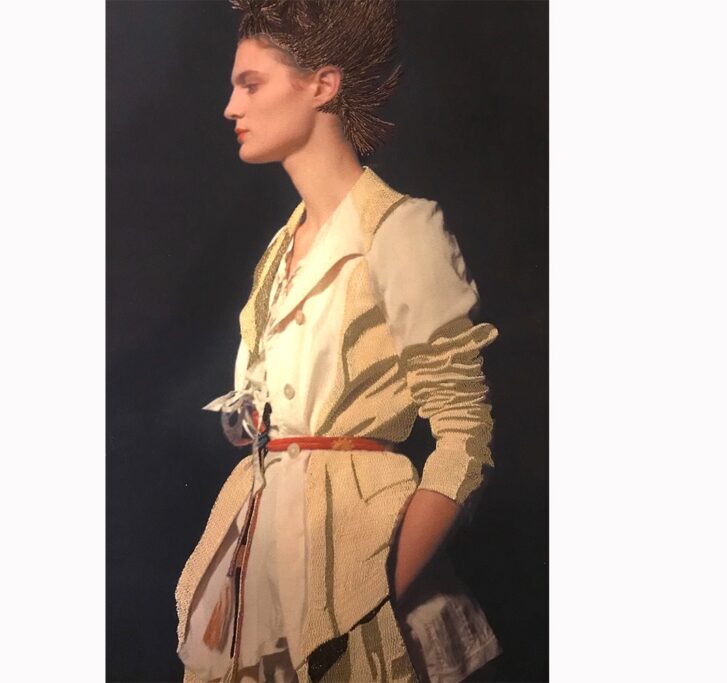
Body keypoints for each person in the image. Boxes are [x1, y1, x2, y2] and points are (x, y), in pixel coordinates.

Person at [175, 2, 502, 681]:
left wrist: (378, 584)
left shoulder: (401, 230)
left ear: (323, 85)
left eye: (251, 84)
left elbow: (465, 437)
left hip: (358, 575)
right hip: (261, 566)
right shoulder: (278, 251)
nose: (231, 107)